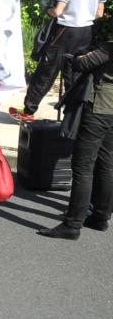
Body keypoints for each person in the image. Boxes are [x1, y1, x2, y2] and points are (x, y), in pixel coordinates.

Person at [14, 0, 107, 121]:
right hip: (85, 32)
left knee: (46, 72)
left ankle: (28, 112)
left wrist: (48, 11)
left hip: (64, 31)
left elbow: (58, 11)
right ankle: (72, 118)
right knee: (74, 74)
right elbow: (99, 13)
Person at [39, 40, 113, 239]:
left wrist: (82, 55)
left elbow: (80, 64)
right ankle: (101, 216)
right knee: (106, 164)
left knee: (83, 167)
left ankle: (72, 224)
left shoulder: (109, 48)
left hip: (99, 107)